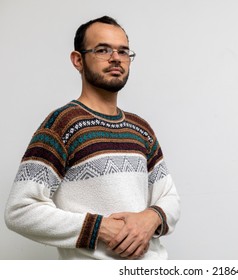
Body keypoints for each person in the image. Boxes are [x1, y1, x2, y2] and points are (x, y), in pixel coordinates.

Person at [4, 15, 180, 260]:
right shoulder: (62, 124)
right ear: (78, 60)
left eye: (123, 51)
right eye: (102, 49)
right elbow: (20, 210)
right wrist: (101, 229)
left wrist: (151, 218)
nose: (116, 57)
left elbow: (170, 198)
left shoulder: (141, 129)